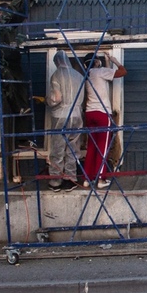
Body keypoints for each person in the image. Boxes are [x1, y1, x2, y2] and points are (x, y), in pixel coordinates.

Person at [83, 51, 127, 187]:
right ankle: (101, 179)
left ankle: (87, 179)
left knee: (92, 146)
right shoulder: (100, 71)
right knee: (103, 146)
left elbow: (107, 76)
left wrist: (107, 63)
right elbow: (122, 72)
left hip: (90, 113)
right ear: (96, 62)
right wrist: (115, 61)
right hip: (102, 113)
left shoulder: (87, 75)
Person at [45, 51, 85, 191]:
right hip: (77, 115)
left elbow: (57, 98)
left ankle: (55, 181)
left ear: (57, 62)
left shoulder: (56, 75)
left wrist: (47, 100)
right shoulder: (79, 76)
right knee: (73, 147)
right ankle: (71, 178)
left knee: (58, 147)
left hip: (61, 115)